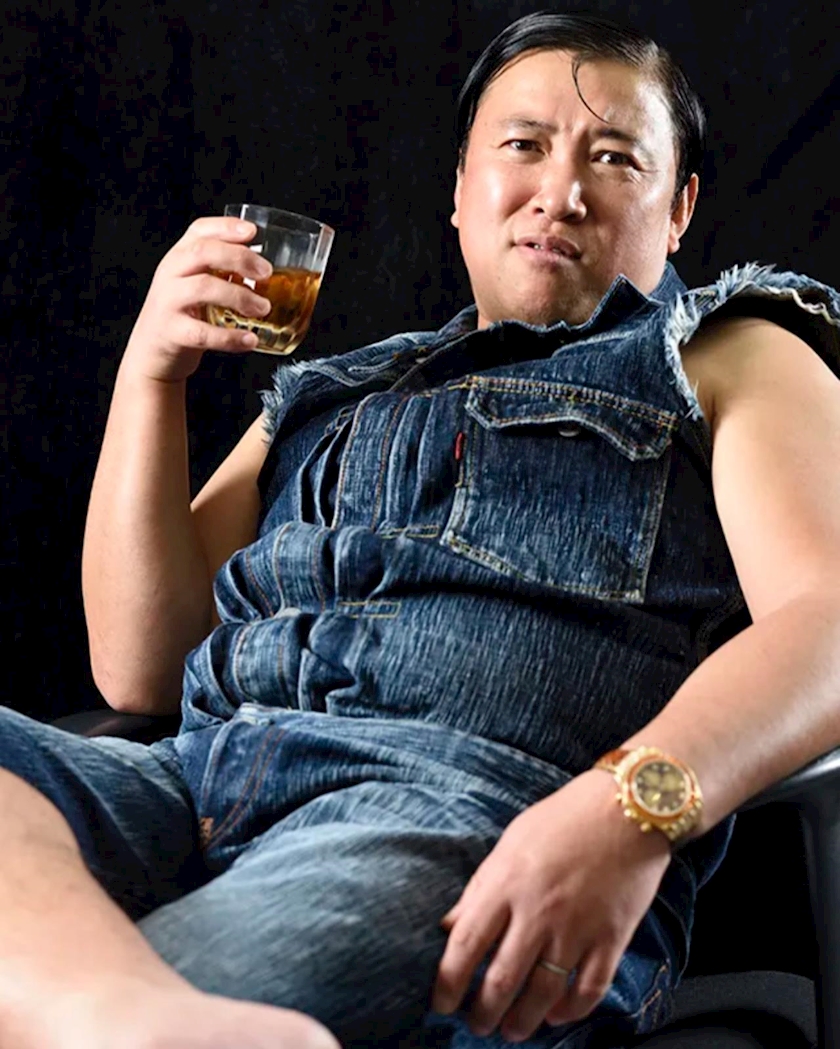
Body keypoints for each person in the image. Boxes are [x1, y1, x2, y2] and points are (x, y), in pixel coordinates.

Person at [3, 10, 840, 1049]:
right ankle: (108, 1005)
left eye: (614, 158)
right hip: (185, 785)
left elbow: (829, 621)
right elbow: (141, 665)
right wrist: (152, 373)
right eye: (524, 145)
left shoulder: (724, 351)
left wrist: (629, 808)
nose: (560, 192)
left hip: (464, 812)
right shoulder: (335, 390)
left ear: (679, 209)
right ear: (459, 189)